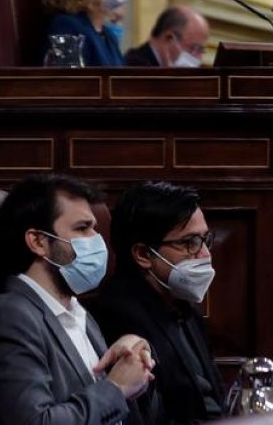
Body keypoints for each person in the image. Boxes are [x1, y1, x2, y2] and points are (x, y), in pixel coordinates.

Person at [0, 174, 155, 425]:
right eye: (82, 228)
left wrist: (134, 362)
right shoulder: (10, 318)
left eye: (95, 229)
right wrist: (115, 387)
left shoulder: (75, 309)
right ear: (38, 241)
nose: (96, 240)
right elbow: (36, 422)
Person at [94, 182, 223, 424]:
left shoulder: (183, 305)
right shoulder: (119, 316)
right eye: (190, 243)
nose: (205, 254)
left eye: (205, 239)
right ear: (143, 254)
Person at [125, 6, 211, 68]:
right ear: (169, 38)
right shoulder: (135, 70)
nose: (198, 59)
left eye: (201, 51)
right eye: (195, 48)